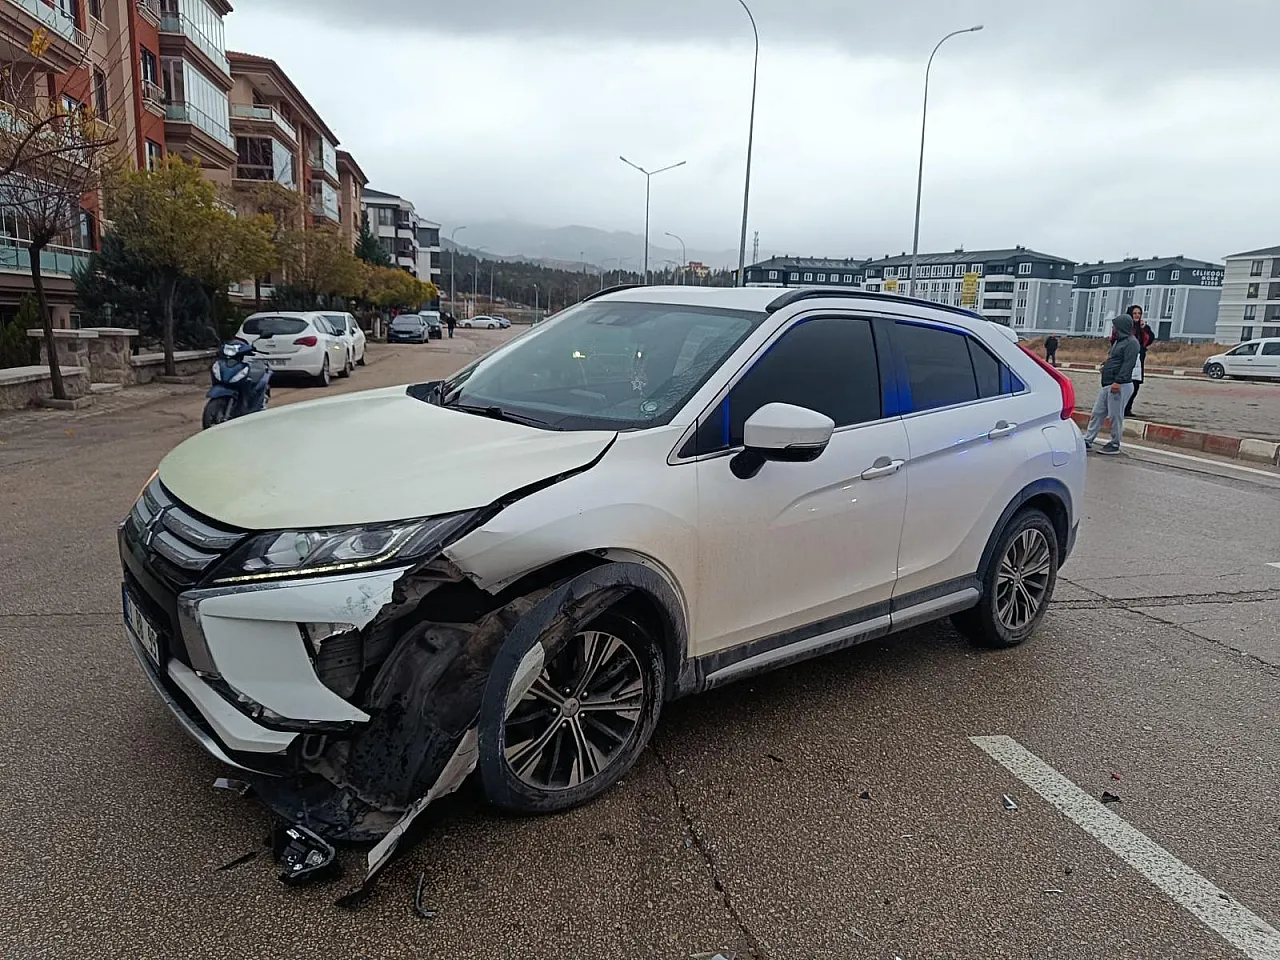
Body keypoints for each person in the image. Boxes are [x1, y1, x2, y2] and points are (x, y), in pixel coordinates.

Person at [1082, 314, 1140, 455]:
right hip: (1108, 384)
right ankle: (1088, 440)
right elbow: (1114, 359)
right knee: (1098, 412)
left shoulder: (1132, 343)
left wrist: (1118, 382)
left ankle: (1115, 444)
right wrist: (1105, 366)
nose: (1113, 328)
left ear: (1122, 327)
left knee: (1115, 415)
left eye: (1115, 326)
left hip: (1119, 385)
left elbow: (1128, 365)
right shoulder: (1118, 341)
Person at [1125, 304, 1154, 417]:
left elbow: (1149, 340)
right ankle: (1120, 407)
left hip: (1138, 359)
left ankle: (1128, 408)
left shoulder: (1143, 327)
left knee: (1135, 385)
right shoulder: (1125, 326)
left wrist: (1144, 328)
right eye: (1135, 313)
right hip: (1126, 358)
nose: (1137, 315)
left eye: (1139, 313)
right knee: (1125, 384)